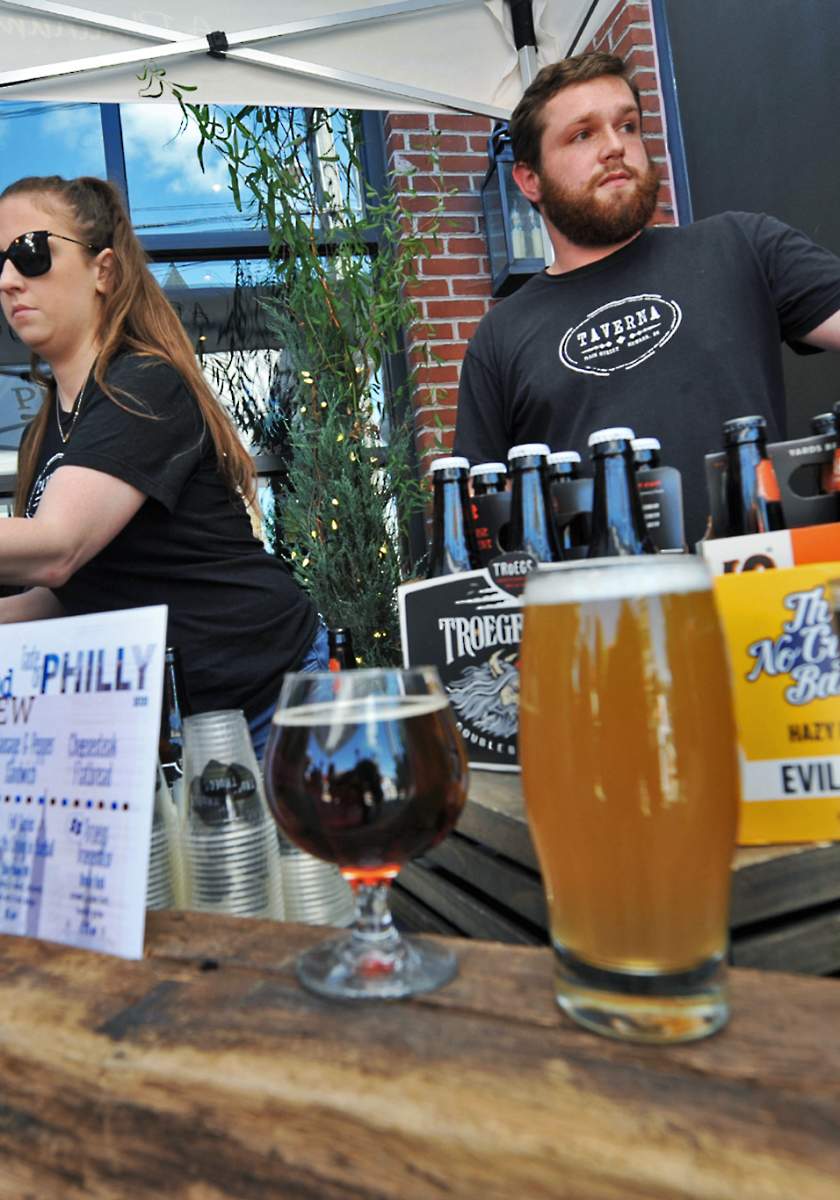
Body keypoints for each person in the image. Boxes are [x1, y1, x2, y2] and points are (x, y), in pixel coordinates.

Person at [0, 174, 328, 758]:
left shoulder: (141, 385)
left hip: (274, 699)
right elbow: (72, 591)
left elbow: (56, 548)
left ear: (103, 269)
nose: (8, 280)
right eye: (0, 262)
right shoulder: (45, 431)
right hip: (185, 724)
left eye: (30, 253)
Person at [453, 52, 840, 545]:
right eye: (583, 134)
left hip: (758, 598)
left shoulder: (742, 246)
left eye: (628, 126)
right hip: (604, 613)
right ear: (529, 180)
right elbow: (479, 517)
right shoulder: (500, 336)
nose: (615, 146)